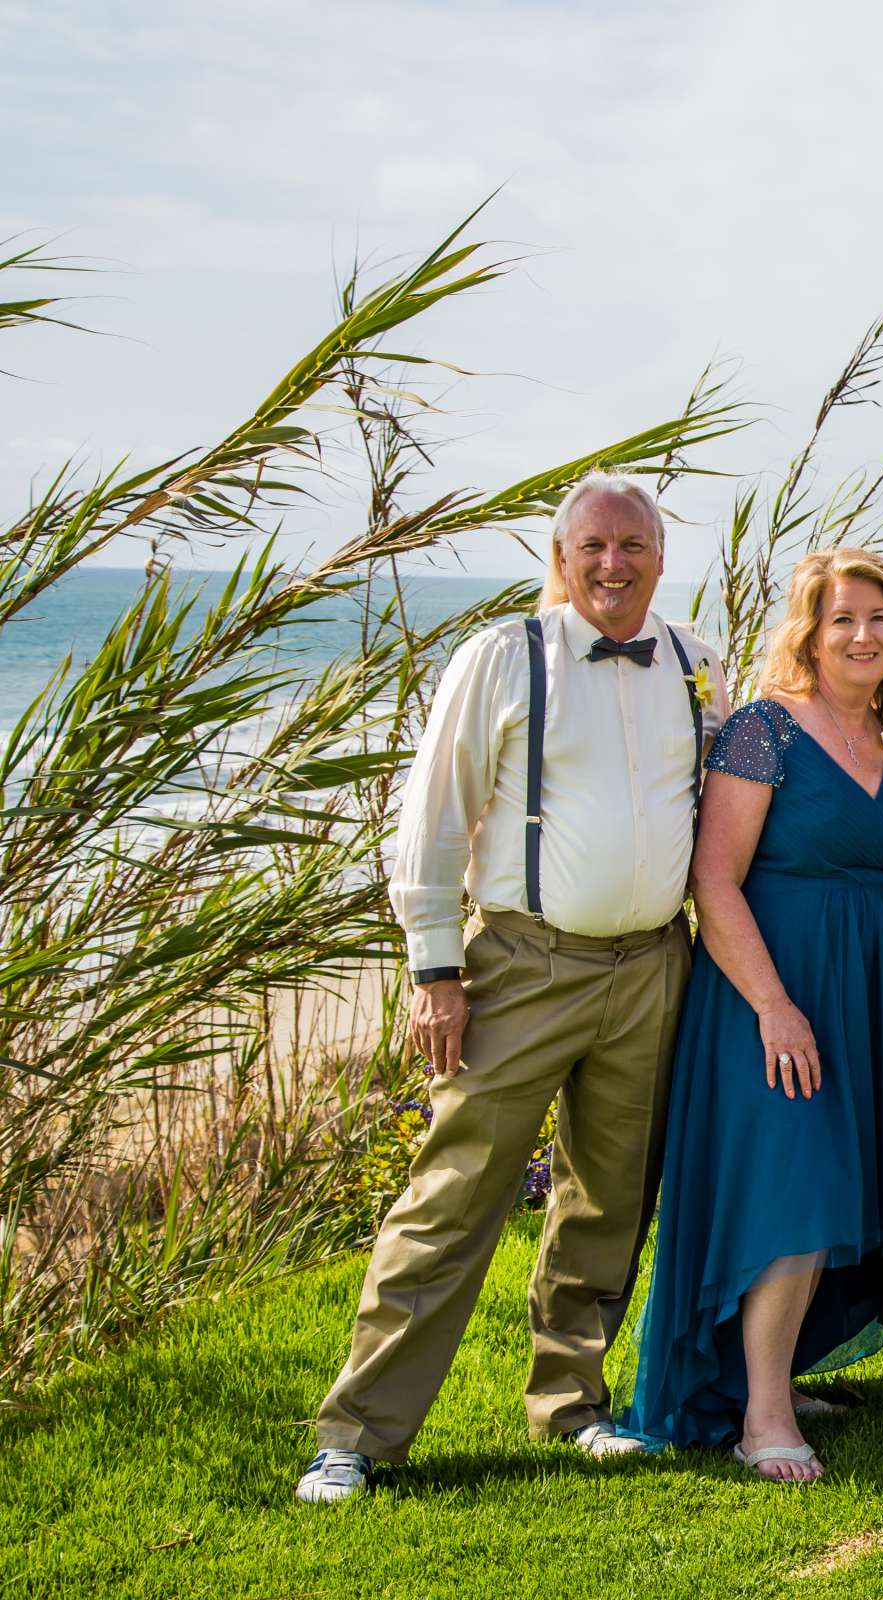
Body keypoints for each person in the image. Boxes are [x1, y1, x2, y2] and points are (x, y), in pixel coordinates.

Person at [299, 474, 728, 1503]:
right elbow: (432, 818)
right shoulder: (503, 656)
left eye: (633, 545)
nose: (613, 565)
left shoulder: (698, 663)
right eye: (594, 547)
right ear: (562, 555)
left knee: (608, 1199)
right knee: (453, 1194)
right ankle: (356, 1434)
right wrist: (436, 969)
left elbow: (728, 802)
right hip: (520, 966)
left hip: (654, 962)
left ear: (661, 557)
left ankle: (573, 1403)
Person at [624, 548, 883, 1483]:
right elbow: (712, 879)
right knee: (793, 1191)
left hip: (864, 988)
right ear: (810, 631)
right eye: (842, 619)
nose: (862, 635)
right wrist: (773, 1007)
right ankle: (759, 1416)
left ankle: (776, 1375)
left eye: (878, 618)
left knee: (837, 1185)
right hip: (772, 987)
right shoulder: (765, 729)